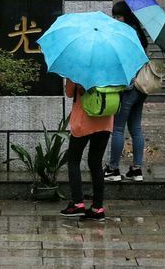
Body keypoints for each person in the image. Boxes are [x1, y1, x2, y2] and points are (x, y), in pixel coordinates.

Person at [105, 0, 151, 182]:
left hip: (128, 87)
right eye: (114, 16)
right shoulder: (139, 33)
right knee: (136, 128)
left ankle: (113, 169)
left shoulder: (124, 34)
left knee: (117, 128)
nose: (116, 19)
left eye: (118, 16)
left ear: (126, 16)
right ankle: (137, 169)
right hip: (142, 87)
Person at [59, 77, 112, 222]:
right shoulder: (110, 67)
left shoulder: (77, 68)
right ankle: (98, 208)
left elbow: (69, 93)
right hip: (105, 120)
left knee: (73, 160)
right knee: (96, 163)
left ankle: (77, 203)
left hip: (84, 120)